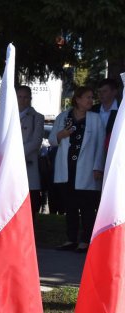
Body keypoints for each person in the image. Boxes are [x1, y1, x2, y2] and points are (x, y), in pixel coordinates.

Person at [50, 86, 105, 253]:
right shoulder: (63, 117)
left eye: (91, 97)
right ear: (78, 99)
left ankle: (85, 241)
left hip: (87, 170)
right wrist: (61, 135)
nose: (91, 100)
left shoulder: (95, 119)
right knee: (70, 206)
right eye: (88, 97)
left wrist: (97, 167)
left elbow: (100, 145)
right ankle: (70, 239)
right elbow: (52, 140)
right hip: (67, 169)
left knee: (87, 207)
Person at [16, 85, 45, 217]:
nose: (22, 100)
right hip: (10, 167)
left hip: (28, 163)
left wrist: (15, 154)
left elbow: (36, 142)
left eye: (26, 97)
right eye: (20, 97)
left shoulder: (37, 117)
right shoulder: (7, 115)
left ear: (30, 99)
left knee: (28, 201)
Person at [91, 78, 120, 148]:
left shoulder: (121, 111)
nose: (101, 94)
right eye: (99, 91)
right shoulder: (92, 110)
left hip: (113, 150)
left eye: (104, 91)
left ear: (114, 92)